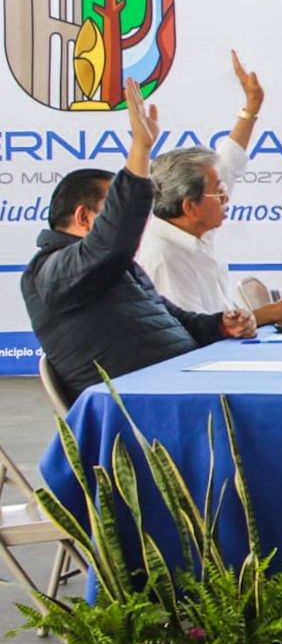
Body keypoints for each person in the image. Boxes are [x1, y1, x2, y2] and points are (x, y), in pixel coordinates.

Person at [24, 79, 254, 406]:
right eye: (111, 210)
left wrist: (219, 325)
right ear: (84, 217)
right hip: (145, 406)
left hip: (181, 386)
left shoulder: (118, 268)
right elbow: (111, 242)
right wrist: (140, 152)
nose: (132, 221)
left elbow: (176, 319)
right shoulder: (50, 272)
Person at [137, 52, 282, 326]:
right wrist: (272, 313)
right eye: (219, 192)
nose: (226, 198)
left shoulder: (190, 228)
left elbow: (227, 163)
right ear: (190, 206)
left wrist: (252, 107)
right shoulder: (164, 258)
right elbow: (196, 332)